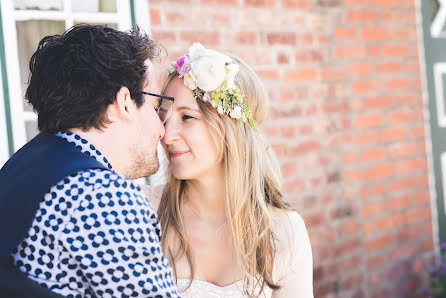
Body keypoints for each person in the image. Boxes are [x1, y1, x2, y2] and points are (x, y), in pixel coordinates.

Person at [0, 24, 180, 297]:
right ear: (125, 102)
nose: (162, 129)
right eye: (156, 108)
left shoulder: (16, 170)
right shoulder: (103, 195)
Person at [146, 43, 313, 297]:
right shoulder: (144, 210)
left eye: (187, 118)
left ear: (230, 129)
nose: (166, 135)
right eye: (164, 117)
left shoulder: (282, 231)